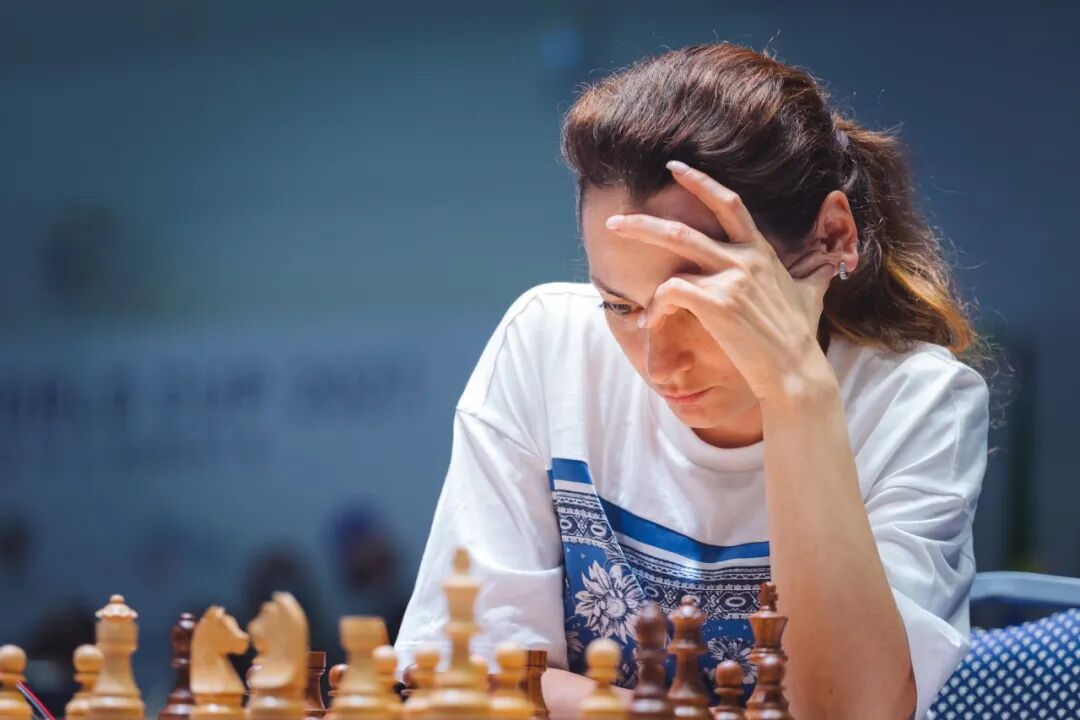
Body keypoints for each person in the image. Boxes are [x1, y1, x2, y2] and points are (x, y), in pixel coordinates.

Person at [394, 42, 991, 720]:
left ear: (831, 237)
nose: (660, 365)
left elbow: (849, 711)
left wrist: (797, 393)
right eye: (621, 307)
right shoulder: (547, 344)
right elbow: (459, 678)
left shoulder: (919, 404)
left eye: (703, 306)